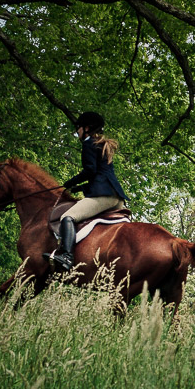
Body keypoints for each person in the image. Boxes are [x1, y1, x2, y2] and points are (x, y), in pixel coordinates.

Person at [52, 111, 127, 271]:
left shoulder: (88, 142)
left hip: (104, 196)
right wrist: (78, 188)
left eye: (77, 128)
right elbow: (99, 174)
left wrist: (69, 183)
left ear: (86, 128)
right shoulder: (101, 144)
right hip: (117, 197)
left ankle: (66, 256)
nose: (76, 132)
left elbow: (90, 170)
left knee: (68, 217)